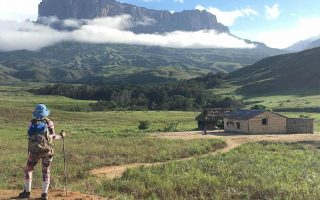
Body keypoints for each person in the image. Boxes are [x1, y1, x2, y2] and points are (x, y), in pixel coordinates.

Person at [18, 104, 66, 200]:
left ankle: (27, 192)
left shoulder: (32, 123)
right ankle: (44, 194)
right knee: (46, 171)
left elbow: (29, 136)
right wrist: (62, 136)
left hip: (34, 152)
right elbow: (53, 136)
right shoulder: (49, 123)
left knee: (28, 169)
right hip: (47, 152)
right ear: (45, 112)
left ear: (35, 113)